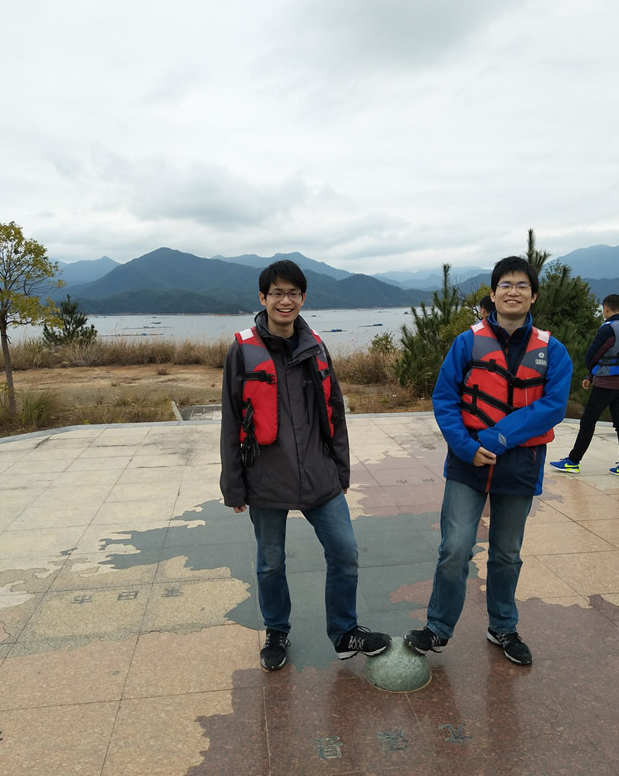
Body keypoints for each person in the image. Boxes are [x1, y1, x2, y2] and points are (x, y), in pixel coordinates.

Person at [220, 259, 390, 671]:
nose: (285, 300)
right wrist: (234, 485)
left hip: (318, 472)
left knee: (345, 551)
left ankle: (345, 631)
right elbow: (230, 418)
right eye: (276, 293)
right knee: (270, 560)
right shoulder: (243, 350)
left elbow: (335, 408)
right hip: (265, 475)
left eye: (293, 293)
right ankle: (277, 631)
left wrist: (341, 469)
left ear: (303, 298)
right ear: (262, 298)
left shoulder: (315, 344)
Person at [405, 256, 572, 665]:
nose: (512, 291)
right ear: (493, 293)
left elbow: (553, 406)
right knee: (455, 549)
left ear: (533, 295)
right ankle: (437, 628)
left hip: (521, 463)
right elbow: (444, 399)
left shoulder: (552, 350)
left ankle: (503, 627)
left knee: (505, 553)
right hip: (468, 462)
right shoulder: (467, 342)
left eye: (521, 285)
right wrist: (465, 446)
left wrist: (497, 438)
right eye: (505, 285)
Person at [550, 294, 619, 479]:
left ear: (606, 308)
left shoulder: (609, 329)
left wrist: (591, 370)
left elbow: (592, 355)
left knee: (588, 422)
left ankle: (573, 461)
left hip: (606, 383)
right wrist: (590, 376)